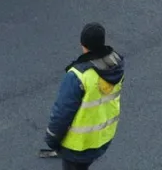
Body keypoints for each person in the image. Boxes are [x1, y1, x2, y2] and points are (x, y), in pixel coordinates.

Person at [39, 23, 124, 165]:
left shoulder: (78, 75)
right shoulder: (115, 65)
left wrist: (51, 139)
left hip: (78, 146)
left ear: (82, 45)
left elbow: (62, 112)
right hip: (102, 138)